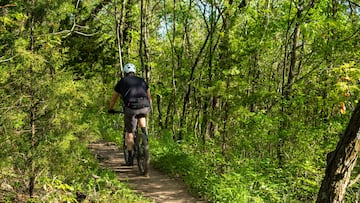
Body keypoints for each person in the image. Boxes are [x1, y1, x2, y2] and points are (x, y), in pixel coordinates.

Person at [108, 63, 152, 166]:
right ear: (134, 72)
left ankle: (130, 160)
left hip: (131, 108)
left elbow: (114, 97)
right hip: (145, 106)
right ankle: (144, 133)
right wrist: (149, 107)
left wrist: (110, 108)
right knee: (141, 114)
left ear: (124, 72)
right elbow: (149, 96)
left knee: (130, 132)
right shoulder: (141, 81)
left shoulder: (122, 82)